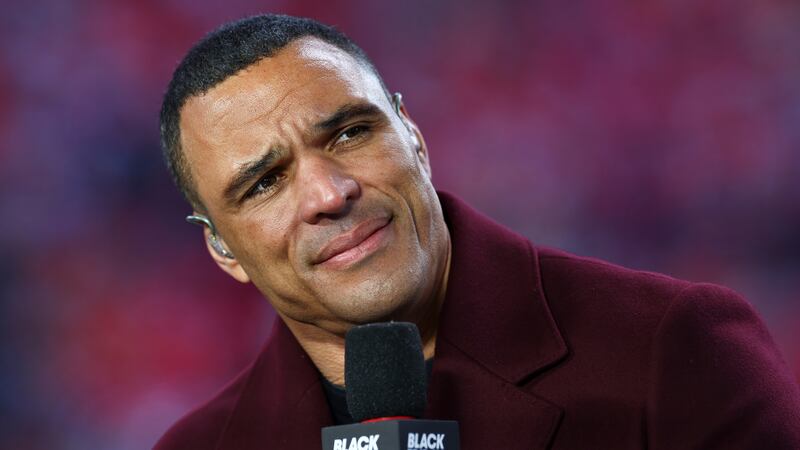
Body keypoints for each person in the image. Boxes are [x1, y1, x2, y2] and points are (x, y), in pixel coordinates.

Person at [154, 14, 800, 450]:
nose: (328, 194)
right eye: (264, 183)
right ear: (221, 247)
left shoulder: (670, 347)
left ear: (413, 136)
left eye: (351, 134)